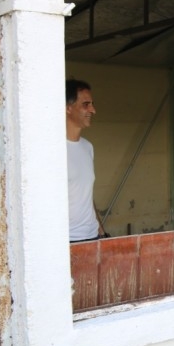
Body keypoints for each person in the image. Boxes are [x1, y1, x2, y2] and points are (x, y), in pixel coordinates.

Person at [66, 79, 106, 242]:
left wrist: (100, 229)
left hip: (92, 235)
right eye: (86, 104)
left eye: (92, 104)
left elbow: (86, 195)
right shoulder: (51, 151)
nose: (93, 110)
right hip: (66, 240)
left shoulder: (87, 147)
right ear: (68, 108)